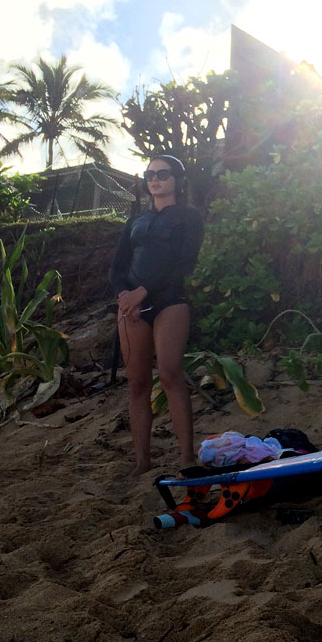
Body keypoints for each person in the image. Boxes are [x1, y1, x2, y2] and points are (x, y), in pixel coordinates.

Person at [109, 155, 204, 477]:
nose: (155, 179)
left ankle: (187, 457)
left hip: (169, 301)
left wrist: (143, 291)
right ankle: (142, 461)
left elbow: (183, 264)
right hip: (132, 307)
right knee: (137, 384)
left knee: (169, 374)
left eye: (163, 174)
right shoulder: (136, 220)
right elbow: (117, 266)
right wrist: (125, 295)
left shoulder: (190, 217)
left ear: (177, 179)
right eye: (149, 174)